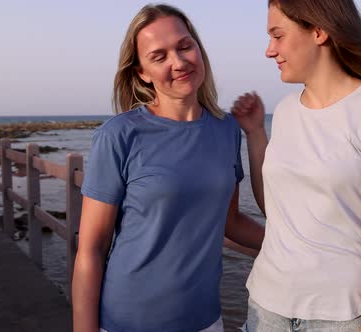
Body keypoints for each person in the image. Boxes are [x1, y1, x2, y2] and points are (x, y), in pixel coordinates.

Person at [231, 0, 361, 331]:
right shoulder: (287, 110)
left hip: (343, 317)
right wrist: (256, 133)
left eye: (278, 36)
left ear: (319, 31)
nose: (269, 50)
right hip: (266, 309)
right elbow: (276, 209)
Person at [71, 4, 264, 332]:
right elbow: (92, 249)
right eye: (159, 56)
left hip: (206, 321)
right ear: (142, 72)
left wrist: (299, 244)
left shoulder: (227, 129)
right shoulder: (119, 135)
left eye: (185, 46)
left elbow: (229, 221)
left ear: (198, 49)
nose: (178, 62)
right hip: (127, 322)